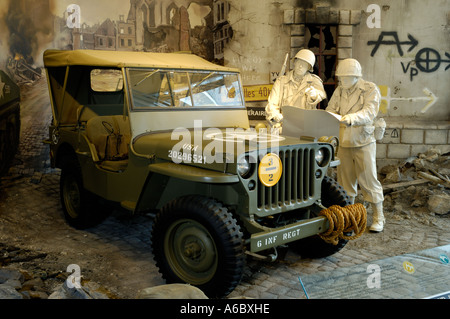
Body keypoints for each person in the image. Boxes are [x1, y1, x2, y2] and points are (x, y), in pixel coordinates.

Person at [326, 58, 385, 232]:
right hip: (343, 141)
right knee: (345, 181)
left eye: (345, 77)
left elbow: (369, 112)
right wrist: (331, 117)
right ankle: (349, 217)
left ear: (355, 76)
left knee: (368, 179)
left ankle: (378, 217)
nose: (342, 81)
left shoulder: (369, 89)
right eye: (340, 78)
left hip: (363, 141)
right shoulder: (340, 90)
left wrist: (350, 118)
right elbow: (331, 109)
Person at [265, 49, 326, 127]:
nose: (300, 66)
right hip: (284, 125)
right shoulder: (281, 81)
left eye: (304, 64)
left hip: (306, 126)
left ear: (308, 67)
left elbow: (321, 94)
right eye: (299, 62)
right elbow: (272, 104)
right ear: (294, 62)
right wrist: (275, 115)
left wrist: (314, 96)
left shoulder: (314, 81)